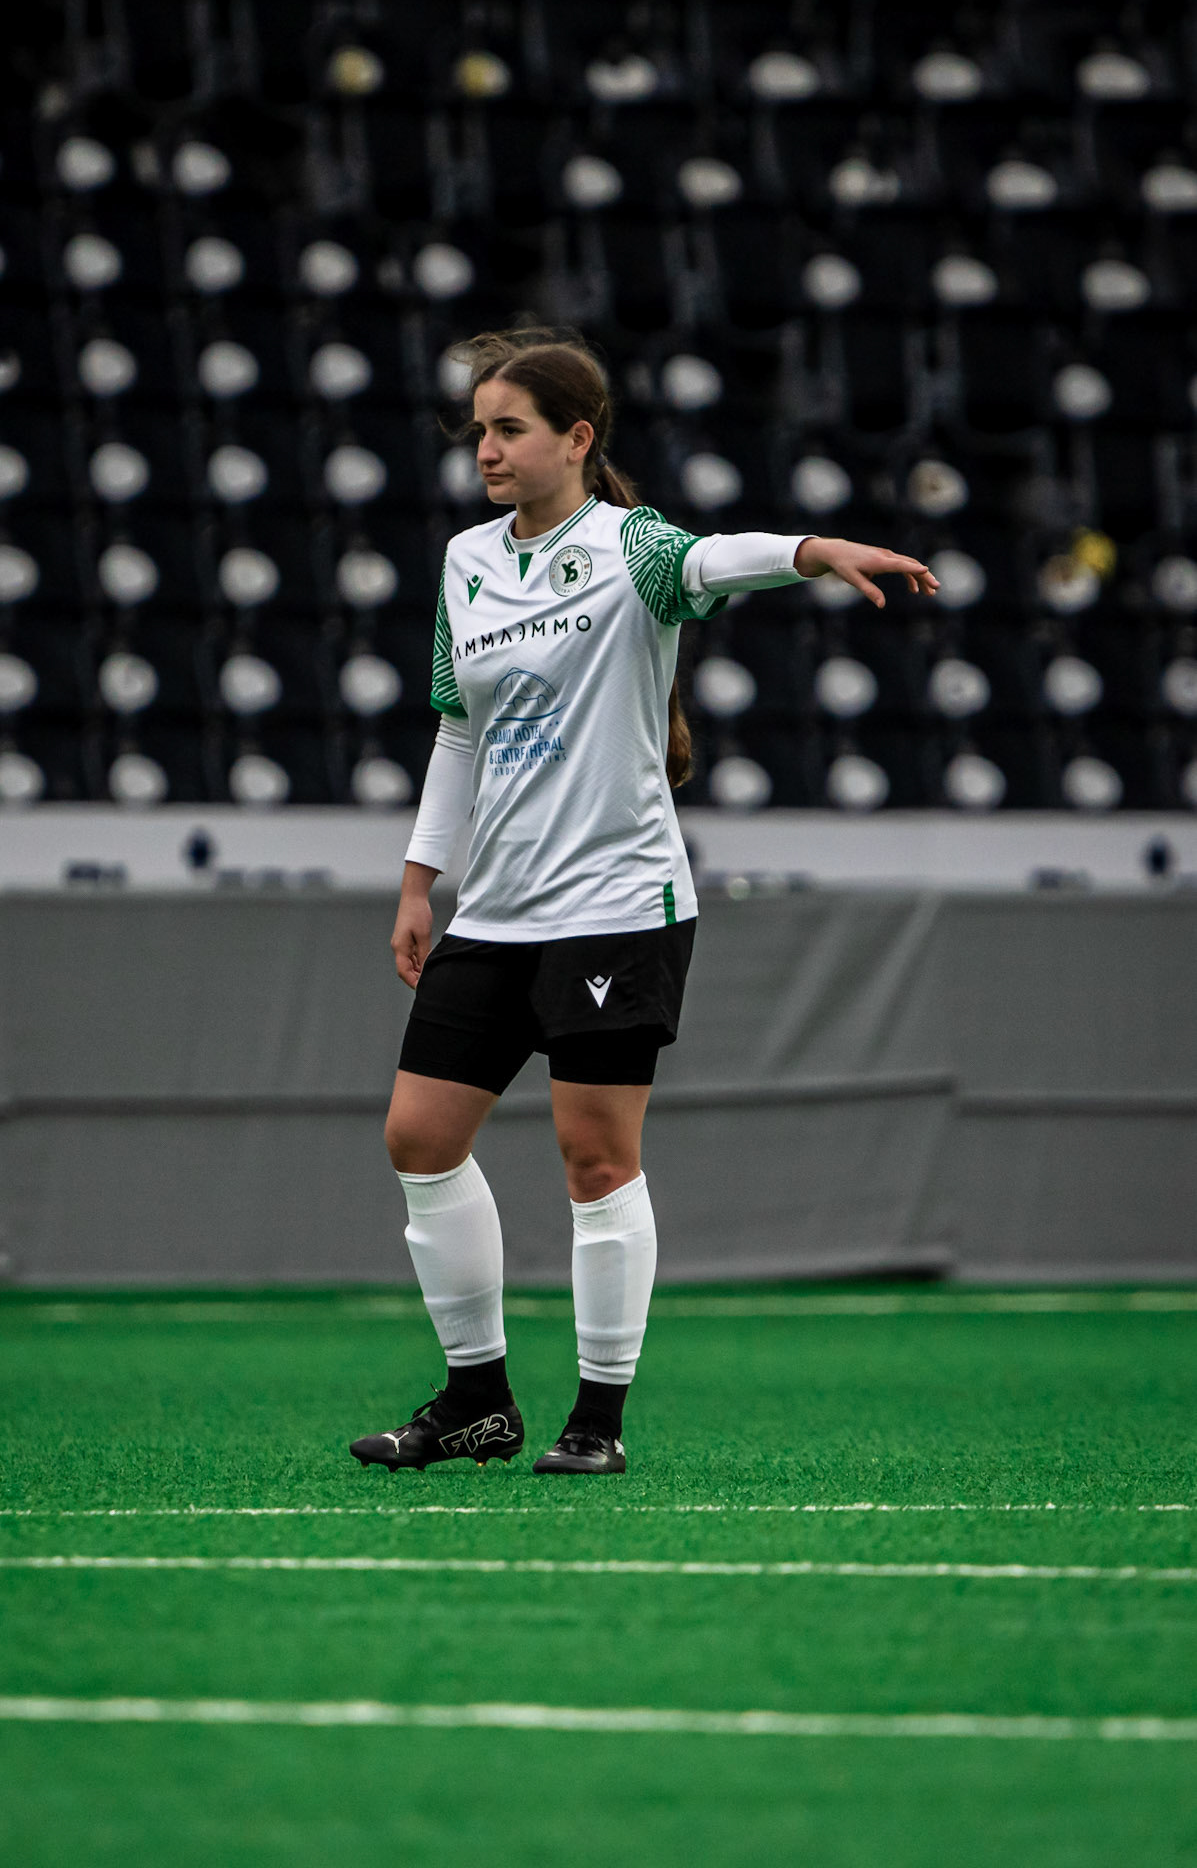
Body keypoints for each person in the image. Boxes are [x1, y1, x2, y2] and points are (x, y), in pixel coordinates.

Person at [350, 329, 938, 1477]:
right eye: (478, 430)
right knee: (419, 1139)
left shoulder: (632, 549)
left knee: (593, 1156)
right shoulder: (466, 561)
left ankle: (598, 1420)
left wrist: (818, 549)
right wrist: (422, 883)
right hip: (497, 908)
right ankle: (477, 1399)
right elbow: (456, 730)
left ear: (577, 438)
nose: (487, 449)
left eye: (510, 427)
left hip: (617, 902)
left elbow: (722, 560)